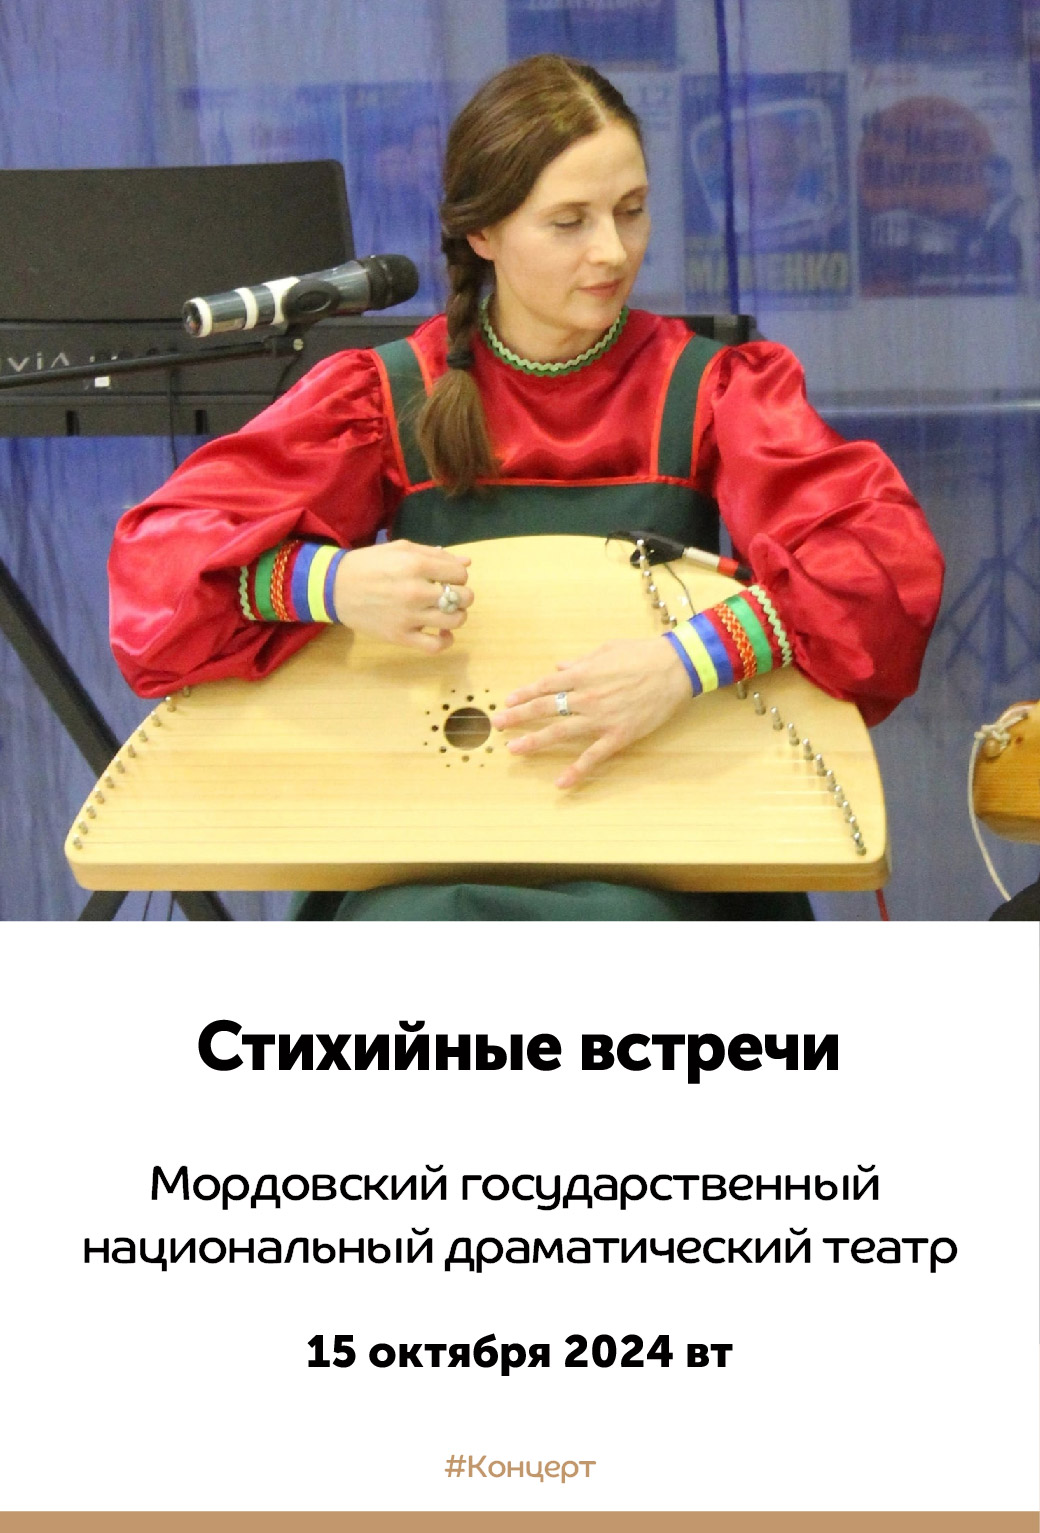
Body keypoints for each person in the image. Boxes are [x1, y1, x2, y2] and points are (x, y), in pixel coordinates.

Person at [108, 53, 944, 921]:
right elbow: (156, 572)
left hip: (665, 840)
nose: (612, 251)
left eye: (631, 210)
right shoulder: (386, 395)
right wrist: (329, 581)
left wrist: (684, 661)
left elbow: (879, 571)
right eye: (569, 222)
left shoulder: (710, 388)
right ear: (483, 233)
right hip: (436, 837)